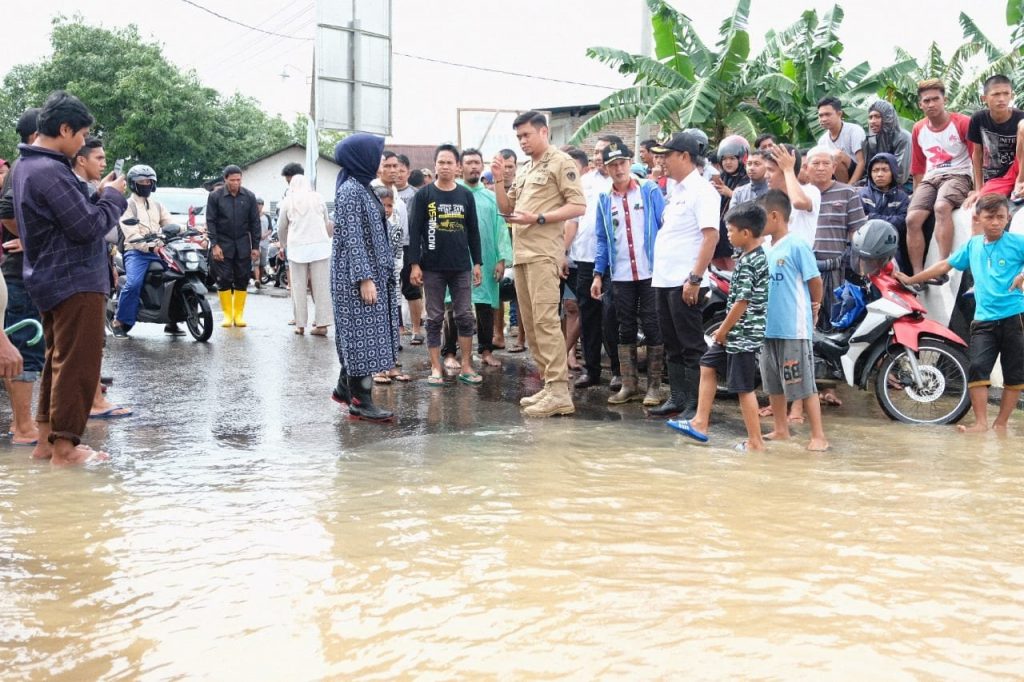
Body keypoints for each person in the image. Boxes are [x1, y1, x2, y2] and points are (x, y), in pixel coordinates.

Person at [10, 90, 128, 465]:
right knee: (78, 364)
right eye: (81, 135)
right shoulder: (50, 171)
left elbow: (69, 219)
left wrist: (98, 195)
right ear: (64, 129)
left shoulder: (28, 166)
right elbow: (87, 227)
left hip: (52, 277)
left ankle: (48, 443)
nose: (82, 144)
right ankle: (65, 449)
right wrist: (112, 197)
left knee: (58, 362)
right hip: (74, 279)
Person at [897, 194, 1024, 432]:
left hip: (1014, 317)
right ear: (978, 218)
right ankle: (981, 423)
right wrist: (913, 279)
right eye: (990, 217)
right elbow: (944, 265)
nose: (995, 222)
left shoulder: (1018, 243)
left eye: (1000, 217)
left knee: (1014, 373)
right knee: (977, 368)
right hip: (984, 319)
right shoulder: (972, 246)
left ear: (1008, 218)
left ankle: (1001, 424)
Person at [492, 111, 586, 417]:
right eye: (518, 136)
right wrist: (498, 180)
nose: (522, 141)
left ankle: (559, 391)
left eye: (526, 135)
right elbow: (507, 209)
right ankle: (549, 385)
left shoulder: (561, 162)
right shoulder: (525, 168)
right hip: (522, 254)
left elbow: (578, 205)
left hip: (544, 254)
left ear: (544, 132)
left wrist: (539, 218)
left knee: (546, 323)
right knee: (531, 326)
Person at [668, 201, 769, 451]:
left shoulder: (751, 262)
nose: (728, 235)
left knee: (743, 388)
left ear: (746, 233)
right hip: (735, 331)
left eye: (731, 231)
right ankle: (700, 423)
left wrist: (724, 330)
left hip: (742, 335)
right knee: (707, 364)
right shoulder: (749, 257)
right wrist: (724, 327)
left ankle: (756, 442)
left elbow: (742, 302)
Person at [645, 132, 720, 419]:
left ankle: (695, 404)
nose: (662, 161)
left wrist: (695, 278)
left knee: (691, 345)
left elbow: (710, 237)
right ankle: (678, 397)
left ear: (685, 156)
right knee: (672, 343)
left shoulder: (702, 191)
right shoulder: (676, 190)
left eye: (667, 155)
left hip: (686, 281)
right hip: (665, 279)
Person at [591, 141, 665, 406]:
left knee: (652, 324)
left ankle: (654, 387)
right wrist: (598, 273)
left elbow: (663, 226)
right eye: (613, 165)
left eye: (622, 163)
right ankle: (629, 384)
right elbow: (602, 238)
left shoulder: (649, 190)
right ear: (606, 168)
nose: (618, 169)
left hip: (650, 271)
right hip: (621, 273)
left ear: (630, 163)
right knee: (625, 327)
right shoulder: (604, 198)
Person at [330, 133, 398, 422]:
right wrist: (364, 278)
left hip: (370, 272)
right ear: (362, 157)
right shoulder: (350, 191)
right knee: (360, 338)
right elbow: (353, 238)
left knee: (363, 335)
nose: (382, 160)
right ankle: (360, 401)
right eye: (378, 154)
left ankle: (344, 389)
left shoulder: (363, 187)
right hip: (355, 278)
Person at [756, 189, 828, 451]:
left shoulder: (797, 245)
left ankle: (818, 435)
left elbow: (815, 280)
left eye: (761, 217)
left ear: (775, 216)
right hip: (768, 327)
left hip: (793, 327)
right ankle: (780, 428)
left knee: (803, 383)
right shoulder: (764, 248)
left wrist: (815, 305)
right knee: (773, 382)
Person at [408, 144, 483, 386]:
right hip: (432, 267)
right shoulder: (424, 196)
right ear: (435, 165)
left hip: (461, 266)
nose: (445, 166)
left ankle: (467, 366)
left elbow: (473, 232)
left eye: (450, 162)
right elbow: (414, 232)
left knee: (464, 316)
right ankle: (435, 367)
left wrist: (478, 262)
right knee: (434, 318)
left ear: (457, 167)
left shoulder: (465, 195)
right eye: (441, 162)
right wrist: (414, 264)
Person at [440, 148, 512, 369]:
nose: (473, 167)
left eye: (477, 163)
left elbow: (501, 228)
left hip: (487, 257)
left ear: (482, 166)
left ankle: (486, 351)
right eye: (469, 162)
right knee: (452, 304)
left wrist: (501, 259)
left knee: (485, 305)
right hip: (456, 259)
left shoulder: (491, 198)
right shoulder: (451, 195)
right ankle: (449, 352)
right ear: (460, 167)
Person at [0, 108, 41, 445]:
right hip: (19, 273)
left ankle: (23, 423)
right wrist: (31, 241)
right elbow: (6, 210)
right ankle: (23, 426)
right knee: (23, 348)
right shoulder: (26, 166)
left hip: (22, 274)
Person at [906, 79, 974, 274]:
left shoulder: (962, 122)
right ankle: (918, 273)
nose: (931, 104)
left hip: (959, 174)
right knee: (912, 219)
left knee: (942, 207)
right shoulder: (918, 128)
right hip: (931, 178)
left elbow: (976, 157)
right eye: (926, 101)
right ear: (920, 104)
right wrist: (917, 194)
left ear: (945, 100)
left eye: (935, 99)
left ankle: (941, 266)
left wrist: (977, 189)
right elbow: (918, 166)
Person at [571, 135, 619, 389]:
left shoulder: (625, 182)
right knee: (588, 316)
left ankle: (619, 371)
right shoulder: (584, 182)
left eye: (604, 152)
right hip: (585, 258)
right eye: (597, 152)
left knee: (613, 317)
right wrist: (563, 252)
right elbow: (573, 219)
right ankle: (591, 370)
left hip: (615, 263)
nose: (599, 156)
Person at [111, 164, 173, 338]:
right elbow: (132, 234)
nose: (146, 184)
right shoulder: (127, 205)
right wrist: (150, 246)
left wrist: (190, 230)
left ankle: (173, 320)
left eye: (149, 181)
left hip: (158, 250)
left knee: (177, 276)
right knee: (133, 284)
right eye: (142, 181)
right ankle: (119, 321)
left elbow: (169, 223)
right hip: (136, 252)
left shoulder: (157, 205)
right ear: (133, 183)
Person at [205, 165, 260, 328]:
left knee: (242, 278)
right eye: (232, 180)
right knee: (224, 279)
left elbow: (255, 223)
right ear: (225, 179)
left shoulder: (249, 196)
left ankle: (239, 315)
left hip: (243, 244)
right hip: (223, 244)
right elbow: (211, 221)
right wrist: (214, 245)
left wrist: (255, 246)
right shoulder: (215, 196)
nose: (236, 183)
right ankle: (228, 315)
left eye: (238, 180)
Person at [278, 174, 331, 336]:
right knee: (321, 287)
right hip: (320, 247)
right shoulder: (318, 198)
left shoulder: (288, 201)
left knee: (298, 287)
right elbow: (326, 222)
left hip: (297, 248)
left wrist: (283, 245)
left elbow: (281, 227)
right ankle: (322, 325)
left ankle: (300, 325)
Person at [964, 75, 1024, 208]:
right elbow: (977, 154)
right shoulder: (978, 119)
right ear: (984, 98)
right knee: (983, 206)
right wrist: (978, 189)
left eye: (1006, 93)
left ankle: (1020, 183)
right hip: (996, 177)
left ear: (1012, 95)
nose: (1001, 98)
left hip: (1019, 169)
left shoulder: (1021, 116)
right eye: (996, 94)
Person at [859, 153, 910, 272]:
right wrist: (888, 220)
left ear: (893, 172)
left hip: (891, 244)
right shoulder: (862, 194)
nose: (879, 174)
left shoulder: (902, 197)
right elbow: (859, 221)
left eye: (885, 170)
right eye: (875, 170)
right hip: (866, 245)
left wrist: (872, 217)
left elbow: (902, 222)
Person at [494, 147, 522, 351]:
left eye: (510, 166)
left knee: (520, 294)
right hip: (497, 248)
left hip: (519, 245)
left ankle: (520, 335)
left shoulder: (522, 188)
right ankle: (498, 333)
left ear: (515, 166)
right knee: (497, 292)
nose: (506, 170)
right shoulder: (491, 191)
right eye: (503, 166)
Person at [817, 96, 866, 185]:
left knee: (836, 155)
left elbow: (861, 162)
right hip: (834, 175)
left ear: (839, 114)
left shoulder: (854, 130)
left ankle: (844, 188)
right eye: (821, 115)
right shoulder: (822, 140)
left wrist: (850, 186)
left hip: (858, 174)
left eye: (828, 114)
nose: (823, 119)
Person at [862, 100, 912, 185]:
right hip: (878, 182)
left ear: (887, 117)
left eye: (877, 117)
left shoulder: (903, 137)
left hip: (904, 184)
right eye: (870, 117)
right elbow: (869, 169)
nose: (872, 121)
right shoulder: (871, 139)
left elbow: (901, 175)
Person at [254, 198, 273, 290]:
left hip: (265, 243)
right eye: (257, 204)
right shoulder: (252, 216)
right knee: (256, 262)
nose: (259, 205)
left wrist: (265, 235)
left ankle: (260, 280)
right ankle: (257, 280)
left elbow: (270, 229)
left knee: (262, 263)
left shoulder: (267, 217)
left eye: (260, 204)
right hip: (255, 243)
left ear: (262, 205)